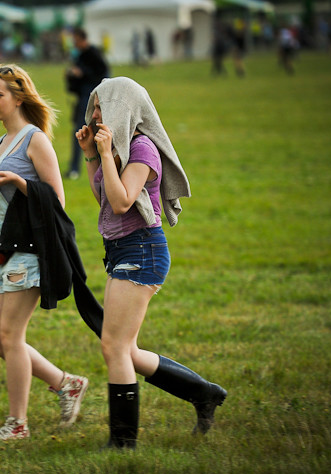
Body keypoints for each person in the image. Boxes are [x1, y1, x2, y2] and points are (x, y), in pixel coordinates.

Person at [75, 77, 227, 449]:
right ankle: (204, 393)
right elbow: (106, 204)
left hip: (143, 251)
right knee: (125, 349)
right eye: (94, 108)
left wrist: (106, 156)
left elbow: (124, 200)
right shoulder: (120, 150)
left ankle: (123, 443)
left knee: (113, 346)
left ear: (123, 109)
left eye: (101, 108)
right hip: (122, 251)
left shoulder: (143, 149)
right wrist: (95, 157)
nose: (95, 116)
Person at [0, 64, 89, 442]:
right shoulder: (1, 143)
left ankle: (17, 425)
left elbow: (57, 202)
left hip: (29, 250)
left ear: (18, 97)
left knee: (11, 337)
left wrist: (19, 182)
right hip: (1, 251)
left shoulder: (35, 141)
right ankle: (66, 383)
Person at [65, 28, 109, 180]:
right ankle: (75, 169)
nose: (74, 44)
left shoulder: (93, 53)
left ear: (82, 39)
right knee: (80, 133)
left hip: (92, 100)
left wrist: (82, 73)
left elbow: (104, 76)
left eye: (76, 40)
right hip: (82, 98)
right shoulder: (79, 56)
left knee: (93, 133)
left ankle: (101, 170)